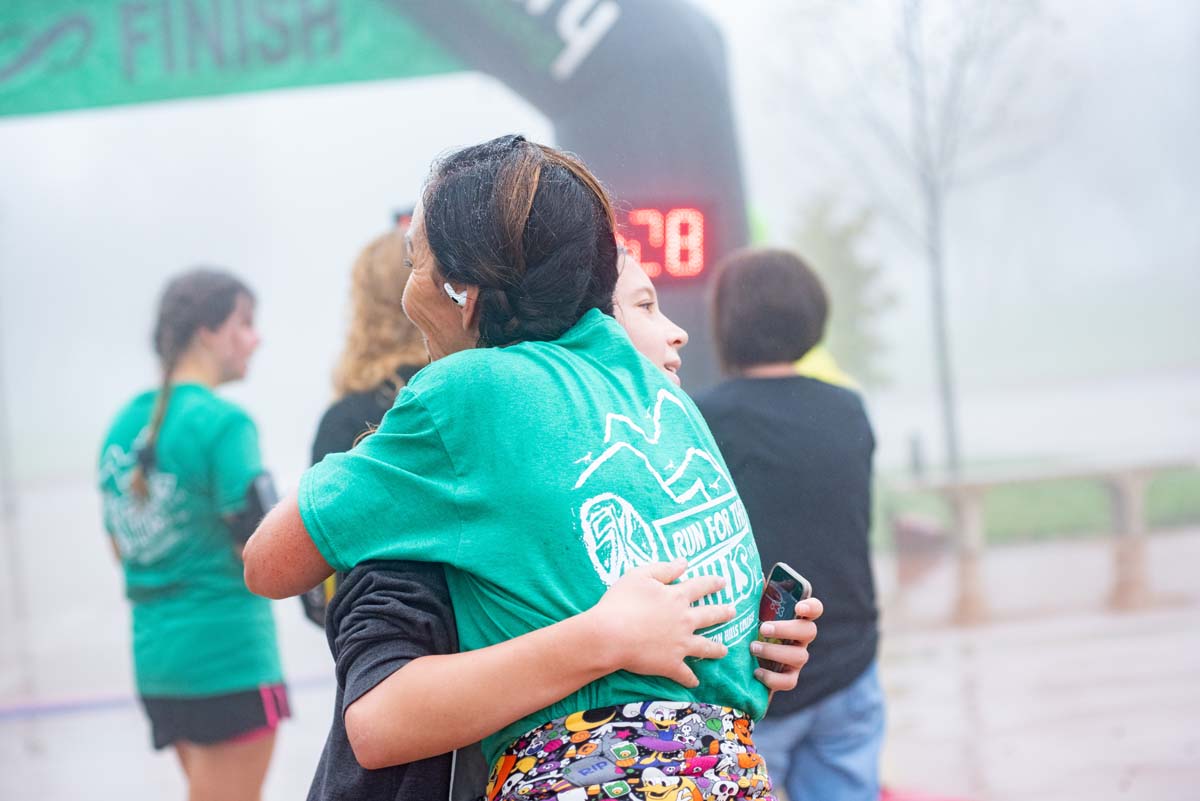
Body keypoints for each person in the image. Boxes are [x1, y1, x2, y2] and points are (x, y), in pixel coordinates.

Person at [245, 135, 812, 801]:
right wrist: (767, 638)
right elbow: (740, 664)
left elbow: (267, 563)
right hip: (737, 774)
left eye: (417, 264)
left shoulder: (460, 397)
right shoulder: (665, 398)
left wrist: (376, 453)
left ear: (465, 292)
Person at [696, 249, 883, 801]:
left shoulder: (704, 419)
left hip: (758, 676)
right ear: (813, 318)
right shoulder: (848, 409)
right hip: (851, 659)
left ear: (724, 326)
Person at [98, 269, 287, 801]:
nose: (257, 338)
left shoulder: (121, 425)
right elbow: (264, 552)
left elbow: (121, 547)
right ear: (208, 331)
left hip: (159, 666)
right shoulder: (225, 424)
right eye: (245, 324)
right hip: (227, 661)